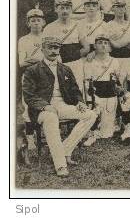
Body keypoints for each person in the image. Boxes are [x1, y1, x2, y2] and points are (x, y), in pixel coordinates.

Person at [22, 36, 97, 177]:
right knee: (51, 118)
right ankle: (60, 164)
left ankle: (64, 150)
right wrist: (45, 106)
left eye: (56, 48)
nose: (53, 51)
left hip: (62, 105)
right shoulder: (33, 70)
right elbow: (29, 95)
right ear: (42, 49)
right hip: (41, 109)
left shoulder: (65, 69)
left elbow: (75, 90)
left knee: (90, 114)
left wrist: (80, 102)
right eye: (49, 48)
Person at [82, 34, 121, 146]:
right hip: (96, 95)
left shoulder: (114, 61)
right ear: (94, 46)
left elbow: (117, 80)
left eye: (105, 43)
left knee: (107, 134)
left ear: (109, 46)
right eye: (100, 43)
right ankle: (93, 133)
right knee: (92, 113)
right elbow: (87, 82)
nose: (103, 45)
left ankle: (110, 124)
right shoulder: (89, 62)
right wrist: (91, 99)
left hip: (110, 96)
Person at [42, 0, 90, 89]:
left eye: (67, 8)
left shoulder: (78, 25)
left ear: (71, 10)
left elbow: (86, 47)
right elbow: (44, 49)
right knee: (59, 90)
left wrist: (75, 56)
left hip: (76, 64)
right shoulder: (49, 28)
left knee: (77, 88)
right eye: (62, 8)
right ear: (56, 9)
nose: (65, 11)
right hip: (57, 64)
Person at [18, 8, 46, 151]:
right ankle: (30, 137)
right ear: (28, 23)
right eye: (33, 21)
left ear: (43, 22)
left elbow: (57, 58)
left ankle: (45, 132)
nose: (36, 23)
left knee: (46, 103)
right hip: (29, 77)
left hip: (46, 77)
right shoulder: (23, 40)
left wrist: (33, 59)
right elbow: (22, 62)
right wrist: (40, 59)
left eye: (38, 20)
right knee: (29, 106)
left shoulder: (47, 37)